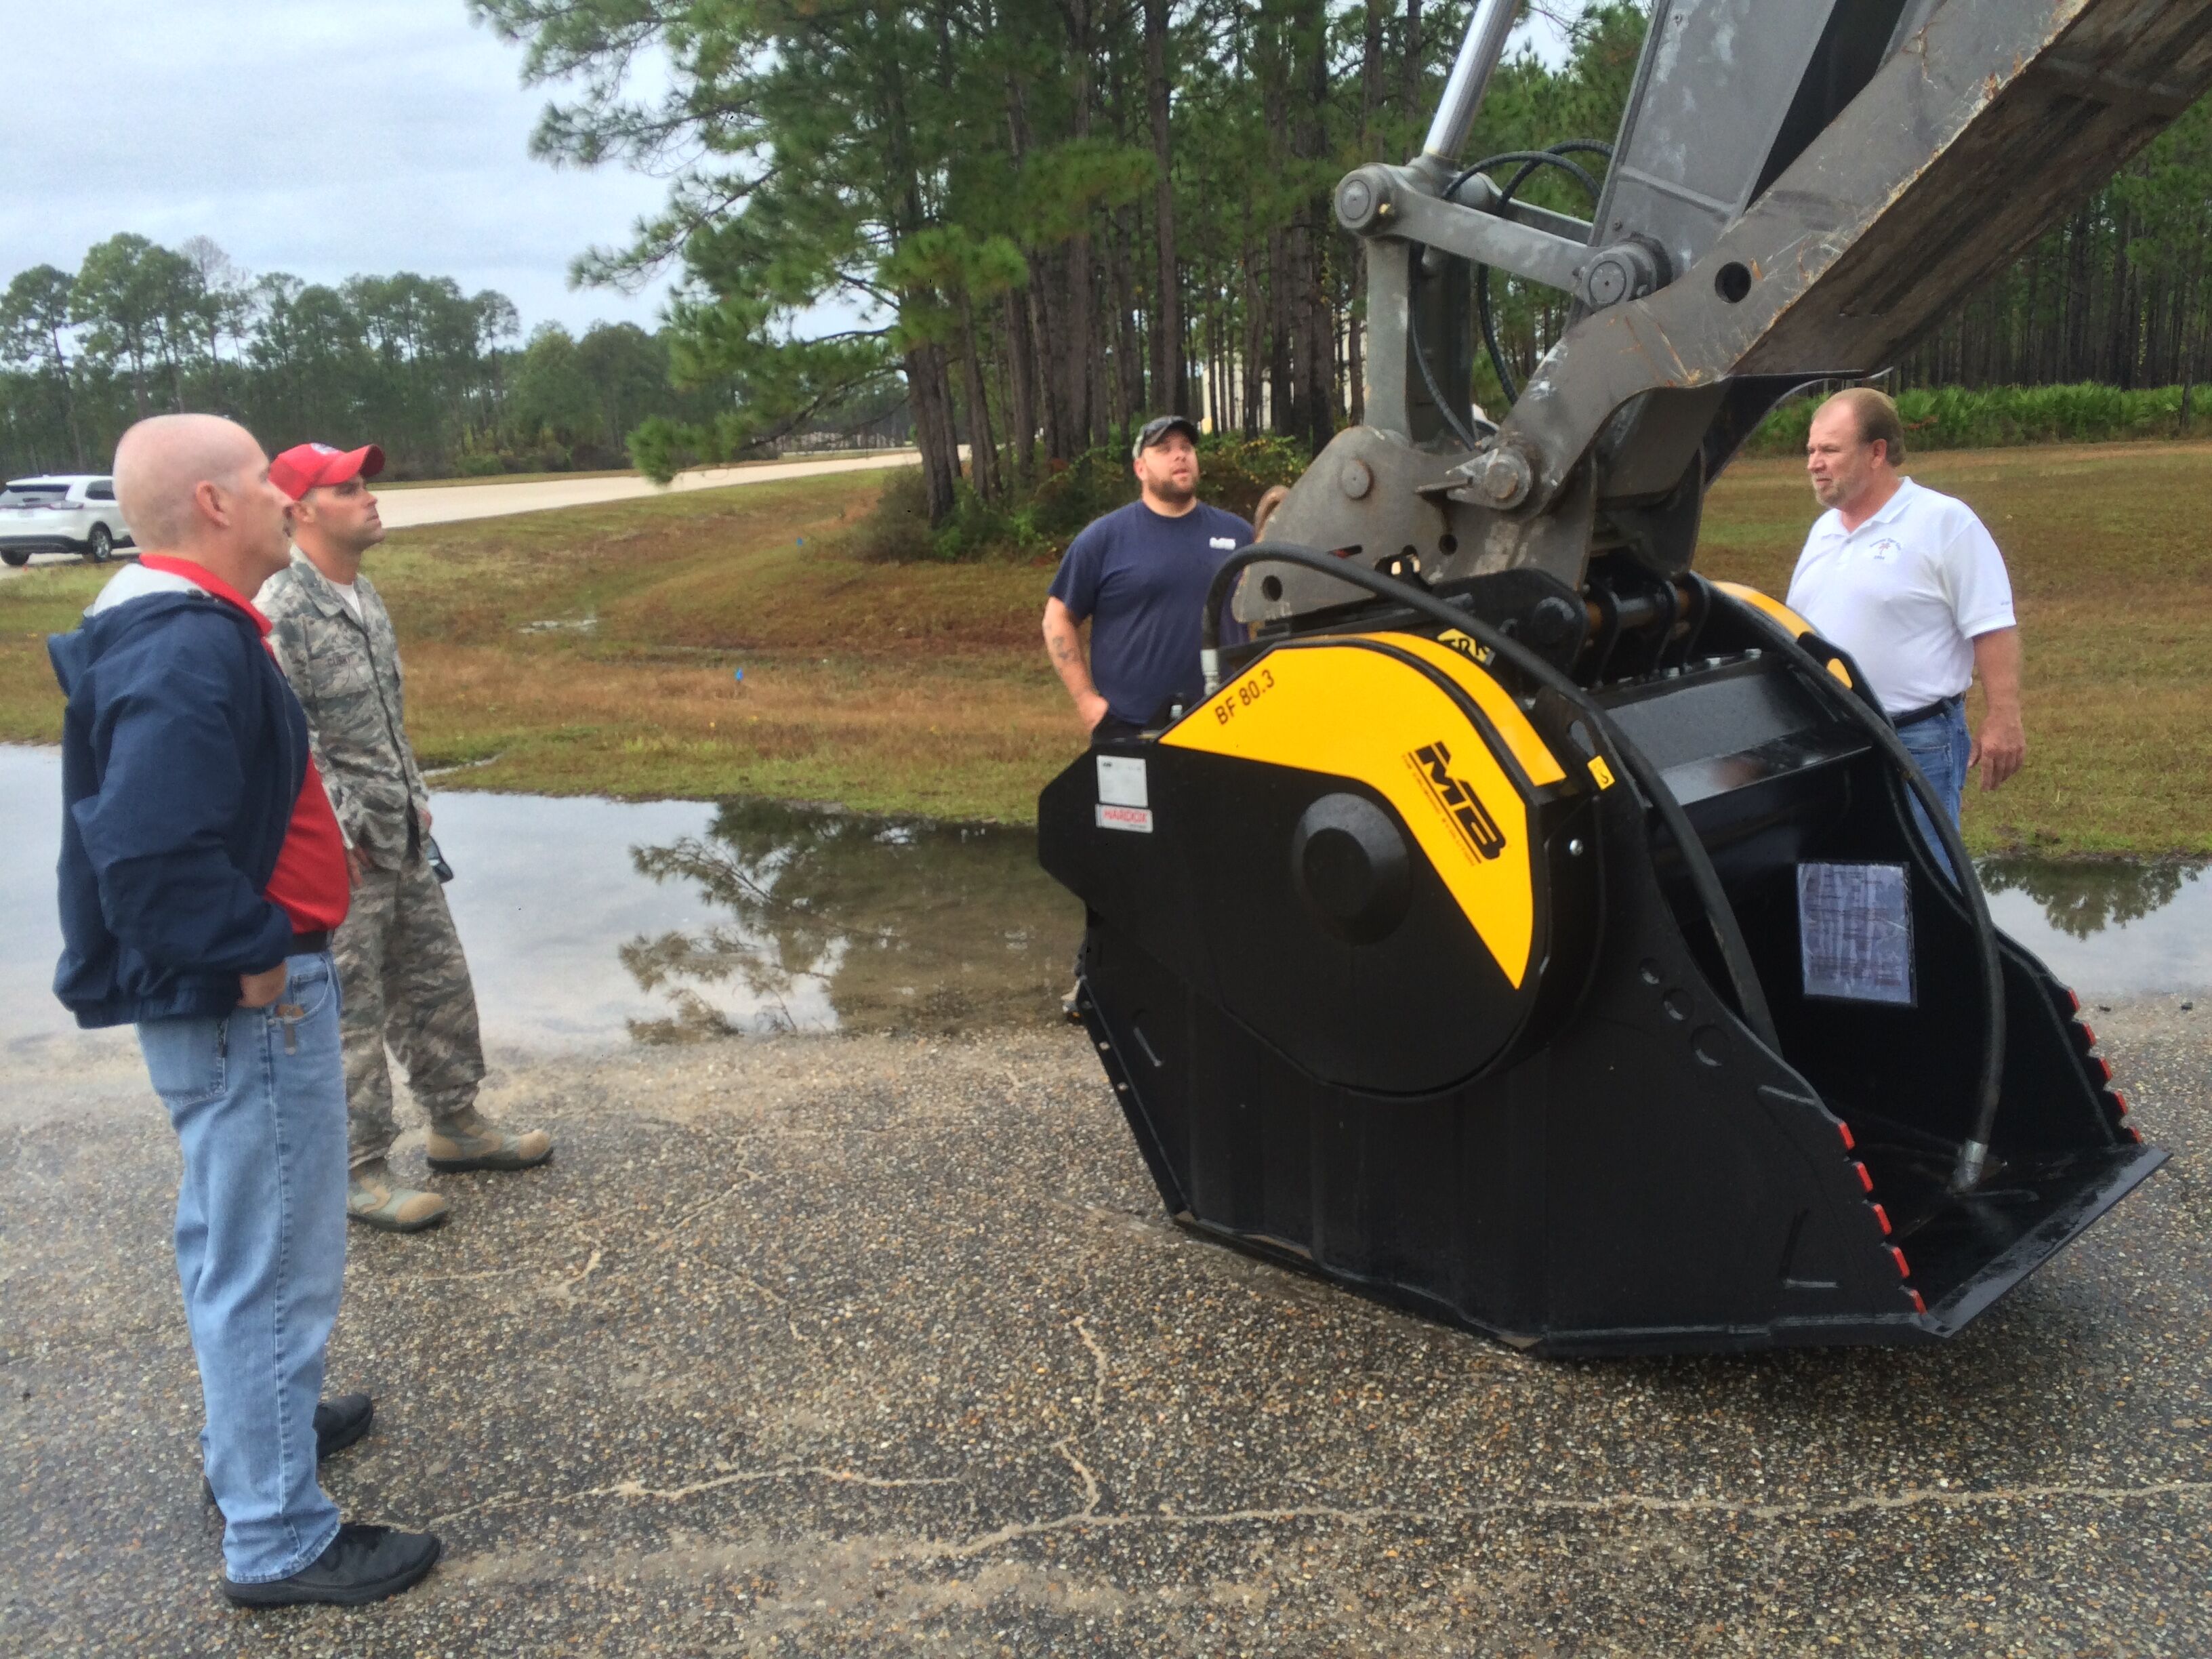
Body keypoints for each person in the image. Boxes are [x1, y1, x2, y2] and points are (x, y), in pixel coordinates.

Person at [48, 413, 440, 1606]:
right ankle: (277, 1532)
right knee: (269, 1256)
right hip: (248, 1001)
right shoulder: (185, 645)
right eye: (269, 477)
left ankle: (260, 1432)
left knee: (236, 1234)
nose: (288, 493)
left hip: (240, 995)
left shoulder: (190, 625)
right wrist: (255, 958)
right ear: (215, 503)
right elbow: (152, 847)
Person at [258, 441, 552, 1233]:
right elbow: (295, 737)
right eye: (347, 489)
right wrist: (348, 823)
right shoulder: (283, 607)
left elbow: (388, 721)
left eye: (365, 485)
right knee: (349, 1008)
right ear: (300, 510)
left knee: (435, 982)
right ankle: (356, 1171)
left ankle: (456, 1124)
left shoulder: (364, 596)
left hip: (403, 838)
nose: (369, 498)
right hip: (343, 850)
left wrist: (416, 797)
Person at [1786, 387, 2026, 867]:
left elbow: (1992, 624)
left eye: (1830, 450)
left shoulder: (1943, 523)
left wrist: (2003, 716)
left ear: (1877, 452)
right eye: (1811, 450)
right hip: (1829, 743)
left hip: (1915, 743)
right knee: (1842, 887)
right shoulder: (1824, 531)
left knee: (1927, 887)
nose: (1815, 463)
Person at [1042, 415, 1255, 743]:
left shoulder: (1237, 534)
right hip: (1130, 728)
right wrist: (1086, 701)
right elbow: (1057, 618)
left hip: (1225, 722)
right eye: (1165, 449)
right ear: (1140, 469)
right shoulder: (1104, 538)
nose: (1180, 455)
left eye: (1186, 447)